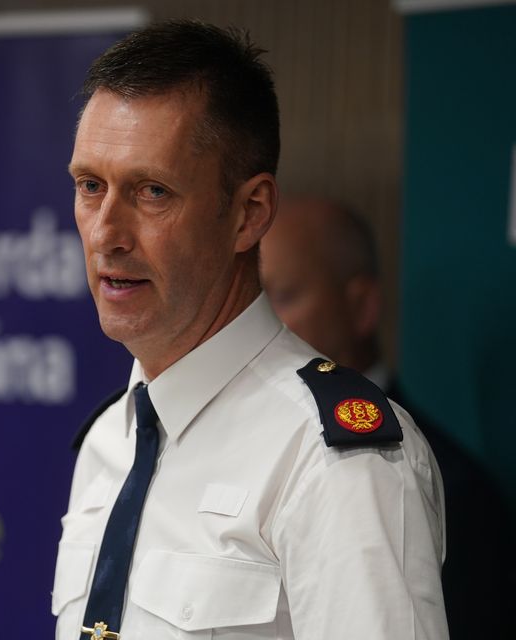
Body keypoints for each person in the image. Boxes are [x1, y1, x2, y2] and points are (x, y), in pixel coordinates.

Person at [52, 20, 449, 640]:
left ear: (249, 213)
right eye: (89, 186)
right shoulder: (111, 439)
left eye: (152, 191)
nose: (106, 232)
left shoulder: (331, 459)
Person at [260, 196, 516, 637]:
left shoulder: (452, 488)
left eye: (281, 296)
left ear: (361, 306)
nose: (260, 324)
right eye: (250, 302)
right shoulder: (224, 447)